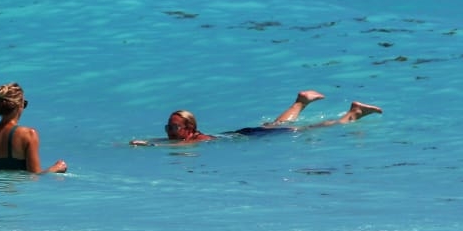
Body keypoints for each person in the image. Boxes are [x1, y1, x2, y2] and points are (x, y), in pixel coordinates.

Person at [131, 90, 382, 145]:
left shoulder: (196, 140)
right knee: (276, 125)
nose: (168, 131)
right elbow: (160, 142)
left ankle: (354, 113)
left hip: (246, 136)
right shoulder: (183, 139)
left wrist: (151, 145)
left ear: (189, 128)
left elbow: (165, 145)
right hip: (243, 133)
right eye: (167, 126)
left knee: (307, 130)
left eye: (173, 127)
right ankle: (301, 101)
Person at [0, 82, 66, 173]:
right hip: (19, 187)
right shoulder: (29, 134)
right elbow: (34, 176)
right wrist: (56, 168)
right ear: (20, 105)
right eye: (25, 103)